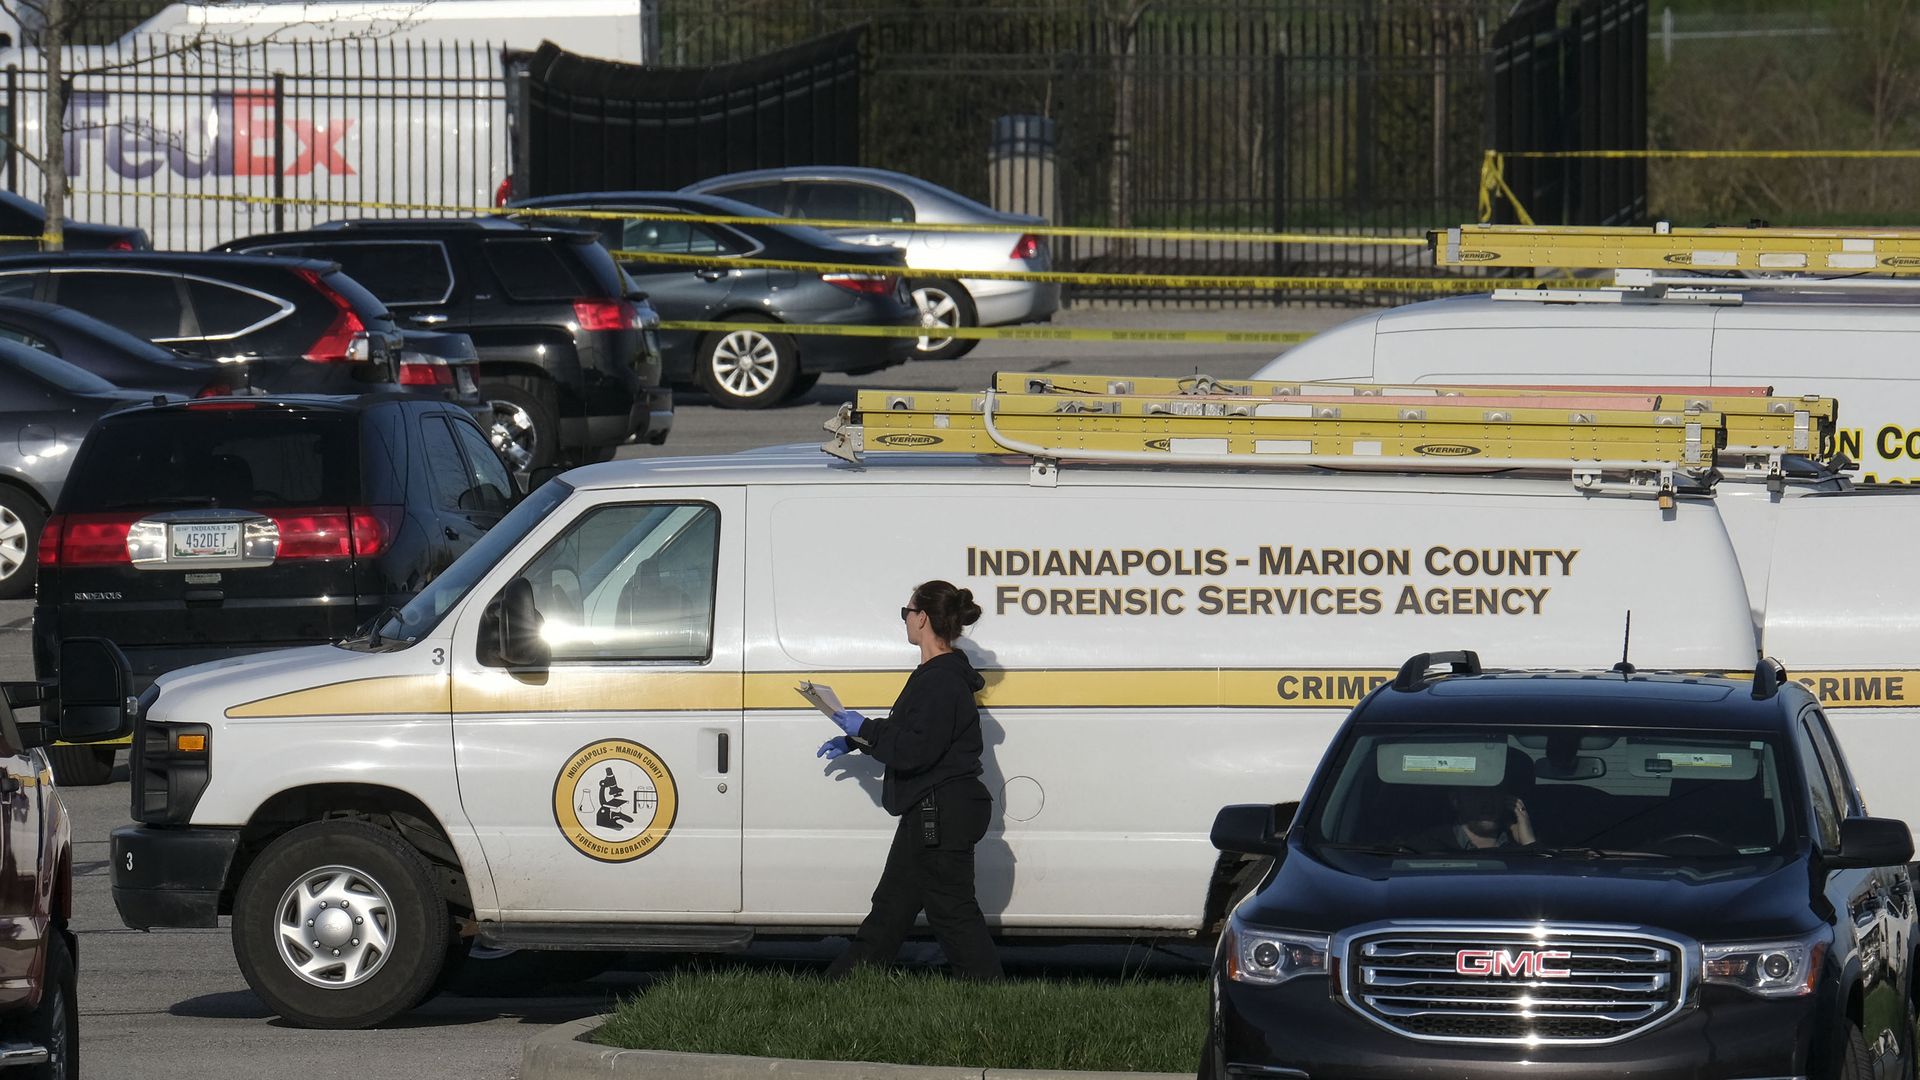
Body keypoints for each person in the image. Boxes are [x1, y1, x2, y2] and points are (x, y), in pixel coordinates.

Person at [815, 580, 1002, 980]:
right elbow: (911, 732)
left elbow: (916, 750)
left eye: (907, 612)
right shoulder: (937, 674)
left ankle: (991, 999)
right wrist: (857, 738)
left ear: (922, 619)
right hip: (931, 809)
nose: (904, 620)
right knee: (892, 908)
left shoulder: (941, 679)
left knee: (953, 914)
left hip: (941, 812)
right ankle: (842, 986)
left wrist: (865, 727)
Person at [1441, 787, 1536, 850]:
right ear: (1455, 800)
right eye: (1477, 794)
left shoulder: (1516, 842)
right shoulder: (1433, 845)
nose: (1488, 804)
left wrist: (1528, 843)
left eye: (1496, 793)